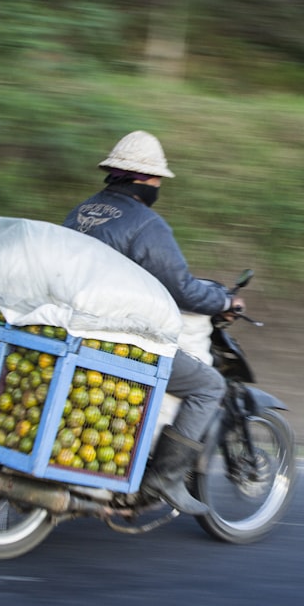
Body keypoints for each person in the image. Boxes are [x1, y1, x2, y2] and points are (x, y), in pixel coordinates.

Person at [63, 130, 244, 516]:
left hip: (70, 327)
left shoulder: (79, 213)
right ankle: (164, 478)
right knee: (208, 385)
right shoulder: (146, 225)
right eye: (158, 179)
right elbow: (182, 289)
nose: (159, 186)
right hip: (118, 340)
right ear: (144, 179)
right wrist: (224, 300)